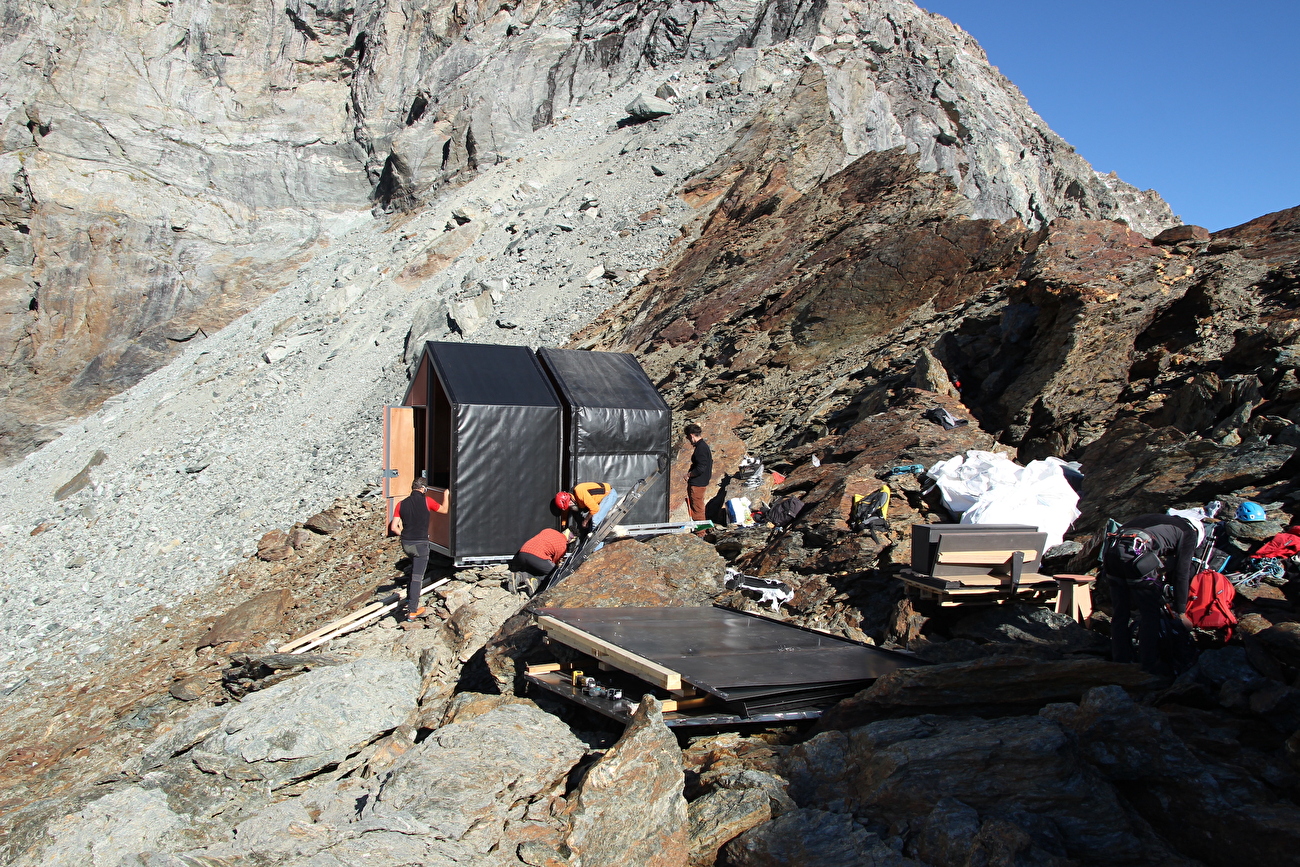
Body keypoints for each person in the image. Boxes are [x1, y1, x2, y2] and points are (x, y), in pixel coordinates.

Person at [1102, 513, 1200, 674]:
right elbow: (1182, 572)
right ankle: (1148, 666)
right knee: (1150, 613)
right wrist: (1181, 611)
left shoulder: (1158, 519)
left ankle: (1120, 661)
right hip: (1135, 554)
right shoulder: (1190, 532)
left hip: (1111, 555)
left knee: (1120, 612)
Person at [388, 477, 445, 622]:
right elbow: (444, 510)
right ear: (424, 489)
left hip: (406, 544)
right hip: (420, 544)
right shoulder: (428, 501)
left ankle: (409, 599)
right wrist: (447, 495)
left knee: (414, 570)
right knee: (417, 577)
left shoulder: (401, 504)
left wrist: (405, 535)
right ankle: (412, 611)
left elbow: (394, 527)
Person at [507, 527, 572, 595]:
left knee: (538, 569)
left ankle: (519, 576)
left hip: (522, 554)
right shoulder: (562, 546)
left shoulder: (548, 530)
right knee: (555, 573)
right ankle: (535, 582)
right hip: (537, 557)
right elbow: (554, 562)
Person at [684, 423, 712, 522]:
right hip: (701, 482)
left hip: (697, 483)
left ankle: (701, 532)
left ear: (691, 435)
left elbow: (700, 468)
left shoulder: (701, 448)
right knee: (698, 506)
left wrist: (689, 475)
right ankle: (703, 529)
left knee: (697, 508)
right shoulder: (703, 446)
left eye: (688, 437)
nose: (688, 440)